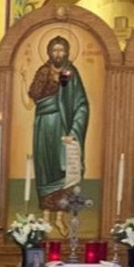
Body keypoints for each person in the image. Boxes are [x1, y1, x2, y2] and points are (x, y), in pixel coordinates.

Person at [26, 36, 89, 237]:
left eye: (62, 50)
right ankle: (45, 219)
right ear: (49, 52)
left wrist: (74, 131)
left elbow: (81, 104)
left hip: (64, 131)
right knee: (45, 169)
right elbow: (31, 100)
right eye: (55, 50)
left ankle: (60, 219)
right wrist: (21, 79)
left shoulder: (71, 73)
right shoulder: (43, 72)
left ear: (67, 52)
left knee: (63, 174)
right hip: (44, 127)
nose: (58, 54)